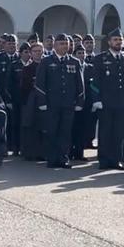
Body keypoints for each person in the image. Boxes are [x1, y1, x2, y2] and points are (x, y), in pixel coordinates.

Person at [89, 28, 124, 170]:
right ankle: (103, 160)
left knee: (119, 132)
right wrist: (96, 99)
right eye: (115, 40)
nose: (118, 42)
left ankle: (116, 160)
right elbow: (95, 82)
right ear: (109, 42)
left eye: (120, 40)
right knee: (105, 132)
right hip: (106, 102)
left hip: (123, 102)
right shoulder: (100, 58)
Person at [35, 34, 85, 169]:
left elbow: (80, 84)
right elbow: (40, 83)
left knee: (65, 132)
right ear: (55, 45)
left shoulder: (74, 62)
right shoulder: (46, 61)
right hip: (52, 104)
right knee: (52, 131)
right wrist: (42, 102)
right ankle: (52, 159)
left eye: (66, 43)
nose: (64, 46)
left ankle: (63, 158)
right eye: (61, 43)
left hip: (68, 104)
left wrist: (80, 101)